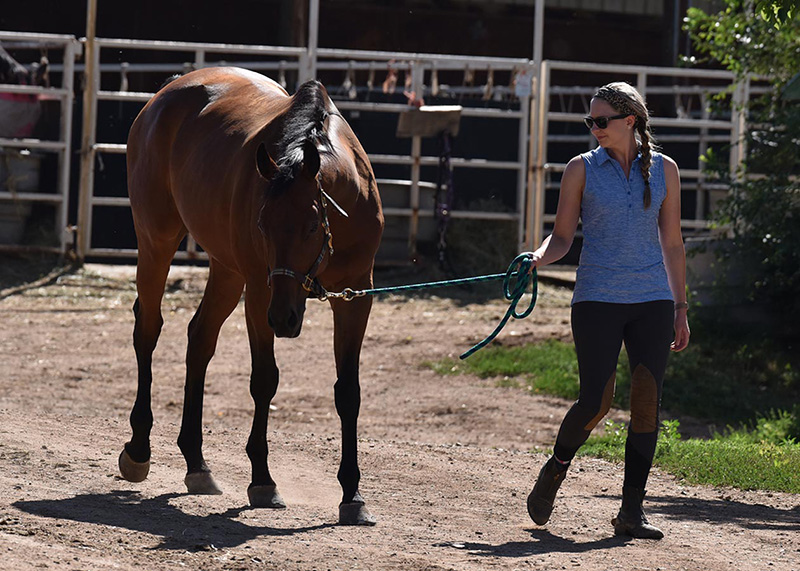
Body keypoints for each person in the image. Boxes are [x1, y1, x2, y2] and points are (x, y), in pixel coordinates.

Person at [524, 81, 690, 539]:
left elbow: (673, 243)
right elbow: (561, 237)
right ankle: (555, 470)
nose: (594, 128)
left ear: (630, 121)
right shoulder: (581, 169)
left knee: (646, 404)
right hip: (597, 297)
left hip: (653, 300)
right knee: (594, 402)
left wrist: (680, 306)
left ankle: (631, 512)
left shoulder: (666, 170)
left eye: (602, 121)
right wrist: (539, 256)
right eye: (590, 121)